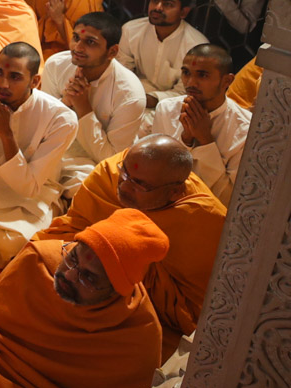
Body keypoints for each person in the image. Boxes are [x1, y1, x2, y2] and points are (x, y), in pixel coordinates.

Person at [0, 209, 168, 388]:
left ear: (118, 291)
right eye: (73, 258)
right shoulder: (39, 260)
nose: (69, 275)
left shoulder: (139, 334)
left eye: (89, 277)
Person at [37, 135, 227, 358]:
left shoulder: (205, 220)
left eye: (140, 185)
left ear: (174, 192)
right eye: (125, 173)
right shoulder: (111, 171)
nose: (125, 187)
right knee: (36, 260)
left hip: (142, 309)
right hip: (83, 270)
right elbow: (73, 226)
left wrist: (120, 264)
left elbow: (193, 310)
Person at [0, 43, 77, 266]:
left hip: (30, 197)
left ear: (35, 81)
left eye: (15, 77)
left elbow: (28, 187)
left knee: (11, 242)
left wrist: (6, 136)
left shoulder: (61, 118)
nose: (2, 84)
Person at [39, 12, 146, 199]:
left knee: (89, 189)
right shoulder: (56, 65)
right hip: (53, 145)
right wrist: (66, 102)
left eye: (90, 42)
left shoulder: (130, 94)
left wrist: (83, 108)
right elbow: (42, 123)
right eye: (76, 38)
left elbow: (111, 159)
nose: (77, 48)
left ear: (112, 52)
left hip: (90, 161)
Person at [144, 44, 250, 203]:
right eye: (186, 73)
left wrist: (205, 140)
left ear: (226, 81)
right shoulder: (167, 108)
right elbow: (154, 169)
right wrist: (185, 140)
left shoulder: (246, 129)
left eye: (202, 75)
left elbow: (228, 199)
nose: (191, 83)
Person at [116, 0, 209, 114]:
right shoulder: (131, 30)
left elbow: (187, 92)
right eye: (154, 1)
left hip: (172, 108)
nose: (158, 7)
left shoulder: (196, 46)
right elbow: (121, 74)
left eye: (167, 4)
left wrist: (152, 99)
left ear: (184, 12)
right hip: (131, 97)